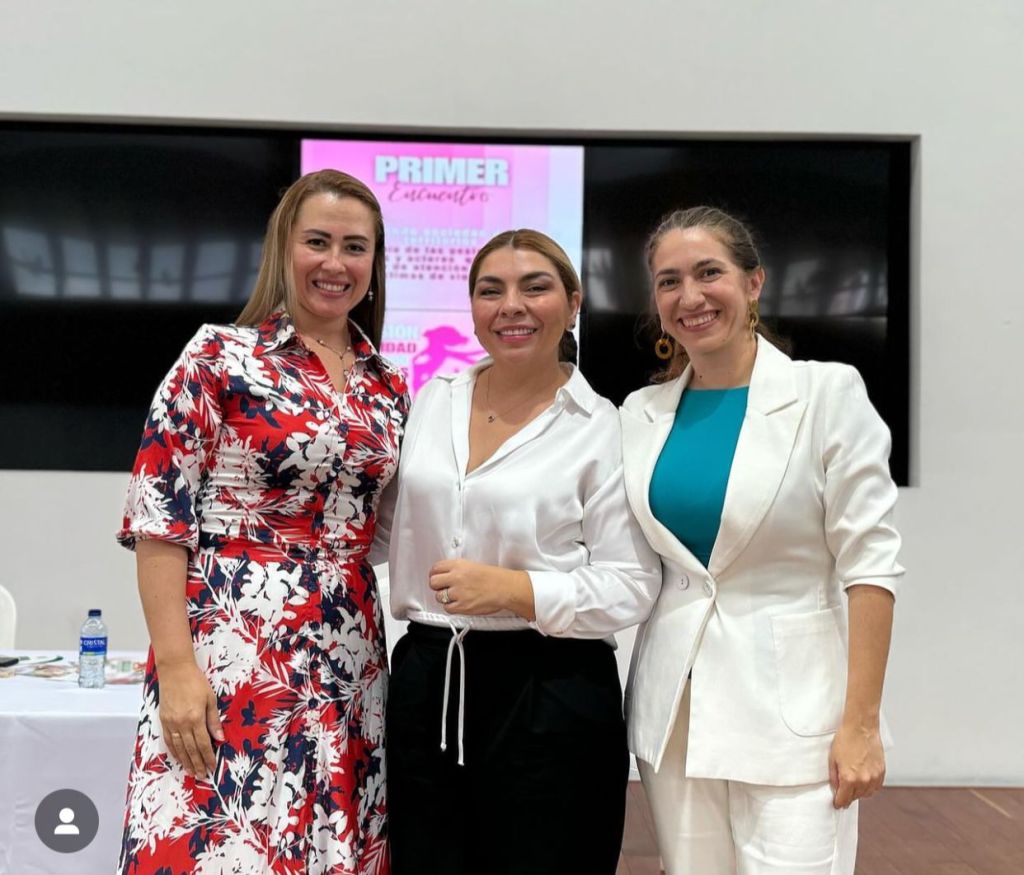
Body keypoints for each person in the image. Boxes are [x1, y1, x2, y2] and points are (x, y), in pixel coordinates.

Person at [116, 169, 408, 874]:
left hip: (348, 659)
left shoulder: (389, 386)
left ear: (374, 264)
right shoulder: (219, 357)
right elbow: (158, 516)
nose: (335, 263)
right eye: (317, 241)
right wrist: (176, 668)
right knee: (217, 848)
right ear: (284, 248)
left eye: (355, 247)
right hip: (230, 649)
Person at [620, 206, 903, 874]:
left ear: (754, 283)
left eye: (708, 272)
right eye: (668, 281)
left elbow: (872, 567)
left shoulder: (827, 393)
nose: (689, 296)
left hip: (796, 724)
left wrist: (861, 724)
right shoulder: (640, 413)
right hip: (676, 716)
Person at [379, 229, 661, 875]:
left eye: (535, 287)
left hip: (551, 690)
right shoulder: (432, 400)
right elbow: (387, 524)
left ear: (574, 302)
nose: (512, 305)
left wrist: (517, 590)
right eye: (491, 290)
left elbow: (631, 583)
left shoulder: (602, 427)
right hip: (428, 682)